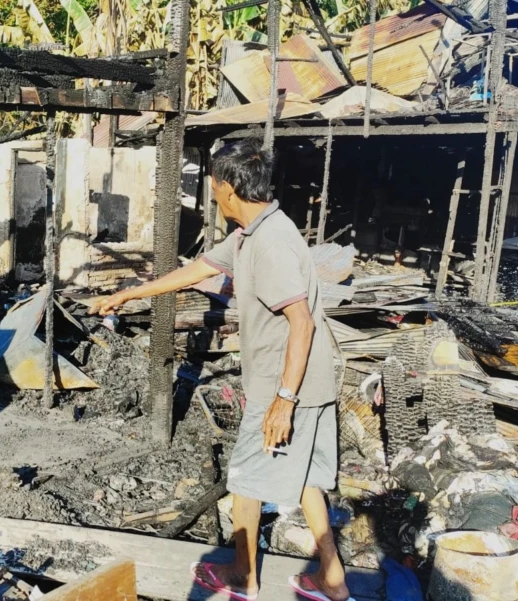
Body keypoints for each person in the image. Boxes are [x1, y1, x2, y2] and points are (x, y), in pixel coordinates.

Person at [89, 138, 351, 601]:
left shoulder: (270, 245)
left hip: (284, 385)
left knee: (246, 478)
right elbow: (199, 269)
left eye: (212, 183)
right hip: (306, 381)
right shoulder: (254, 231)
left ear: (227, 188)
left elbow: (302, 323)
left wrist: (282, 403)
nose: (211, 191)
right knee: (306, 476)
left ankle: (243, 576)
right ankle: (332, 578)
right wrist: (129, 294)